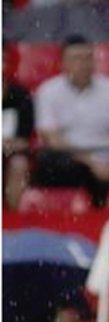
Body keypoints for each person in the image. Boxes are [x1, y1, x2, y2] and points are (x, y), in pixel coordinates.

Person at [32, 34, 109, 207]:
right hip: (69, 164)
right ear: (63, 63)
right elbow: (53, 139)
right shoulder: (48, 91)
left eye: (88, 57)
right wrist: (91, 163)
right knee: (53, 162)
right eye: (76, 59)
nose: (83, 64)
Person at [3, 42, 35, 211]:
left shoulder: (21, 95)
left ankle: (11, 219)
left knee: (19, 164)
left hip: (12, 153)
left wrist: (10, 145)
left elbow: (25, 139)